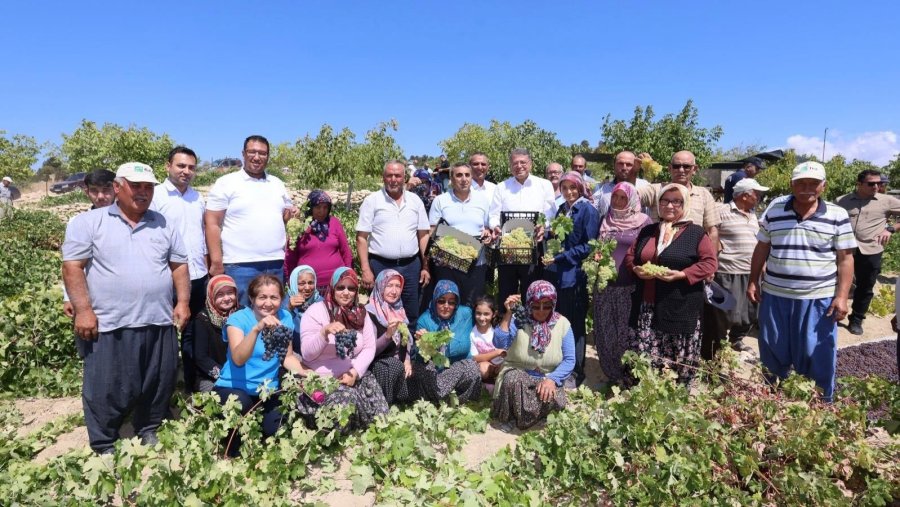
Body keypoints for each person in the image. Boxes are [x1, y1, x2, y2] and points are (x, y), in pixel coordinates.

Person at [62, 162, 191, 454]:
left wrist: (182, 302)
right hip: (110, 322)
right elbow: (72, 267)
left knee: (157, 379)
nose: (143, 193)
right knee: (106, 384)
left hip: (157, 318)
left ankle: (148, 427)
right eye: (136, 186)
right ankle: (104, 441)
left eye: (148, 187)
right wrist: (83, 310)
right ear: (118, 188)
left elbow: (179, 265)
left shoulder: (163, 222)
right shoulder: (88, 223)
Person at [748, 162, 856, 402]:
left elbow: (845, 258)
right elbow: (762, 247)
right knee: (773, 349)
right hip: (776, 295)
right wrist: (753, 281)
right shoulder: (775, 209)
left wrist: (841, 296)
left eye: (813, 184)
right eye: (801, 183)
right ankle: (772, 399)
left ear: (823, 186)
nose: (807, 188)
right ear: (792, 185)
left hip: (818, 298)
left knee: (816, 352)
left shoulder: (837, 215)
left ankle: (819, 404)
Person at [624, 183, 718, 386]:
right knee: (645, 354)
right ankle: (646, 392)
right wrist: (636, 269)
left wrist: (683, 274)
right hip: (647, 304)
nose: (670, 205)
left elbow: (710, 263)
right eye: (665, 200)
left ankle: (676, 393)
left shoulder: (696, 233)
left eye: (677, 201)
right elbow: (631, 255)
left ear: (686, 204)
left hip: (680, 306)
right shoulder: (648, 230)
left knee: (675, 356)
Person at [214, 274, 305, 454]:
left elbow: (286, 357)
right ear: (252, 299)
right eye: (262, 297)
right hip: (233, 388)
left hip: (266, 390)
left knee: (276, 429)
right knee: (242, 406)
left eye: (274, 297)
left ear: (281, 299)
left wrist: (307, 373)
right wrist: (257, 328)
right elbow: (238, 359)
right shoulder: (238, 320)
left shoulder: (285, 317)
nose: (268, 303)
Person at [205, 135, 297, 306]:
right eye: (252, 152)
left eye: (262, 153)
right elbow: (212, 223)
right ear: (243, 153)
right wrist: (216, 262)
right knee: (243, 320)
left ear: (268, 156)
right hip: (240, 265)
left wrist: (291, 215)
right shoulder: (226, 183)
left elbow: (283, 218)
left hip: (275, 263)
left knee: (274, 319)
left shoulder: (277, 183)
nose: (257, 157)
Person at [299, 268, 389, 431]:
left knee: (382, 417)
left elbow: (369, 348)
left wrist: (354, 373)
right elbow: (307, 354)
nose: (346, 293)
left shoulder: (360, 313)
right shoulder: (315, 312)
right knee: (346, 405)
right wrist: (323, 333)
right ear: (332, 288)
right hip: (324, 381)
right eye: (341, 287)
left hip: (353, 375)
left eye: (351, 288)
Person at [152, 146, 208, 392]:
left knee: (193, 333)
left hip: (197, 276)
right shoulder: (155, 197)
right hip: (166, 278)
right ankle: (163, 387)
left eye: (191, 167)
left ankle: (191, 384)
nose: (186, 171)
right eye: (181, 166)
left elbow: (203, 235)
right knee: (164, 335)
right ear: (168, 166)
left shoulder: (198, 198)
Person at [492, 281, 575, 430]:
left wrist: (552, 380)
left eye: (547, 306)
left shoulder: (563, 324)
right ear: (529, 304)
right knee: (513, 381)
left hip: (547, 377)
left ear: (554, 304)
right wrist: (508, 314)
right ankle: (515, 415)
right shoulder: (519, 320)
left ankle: (525, 415)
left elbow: (569, 360)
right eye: (536, 306)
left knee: (553, 397)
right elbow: (499, 342)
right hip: (520, 375)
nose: (541, 311)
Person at [542, 172, 600, 386]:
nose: (568, 192)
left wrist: (561, 256)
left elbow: (589, 245)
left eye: (573, 188)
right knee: (561, 322)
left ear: (581, 187)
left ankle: (577, 372)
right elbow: (559, 237)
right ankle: (562, 366)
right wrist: (546, 236)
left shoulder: (587, 210)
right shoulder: (562, 209)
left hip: (575, 275)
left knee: (575, 324)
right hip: (559, 274)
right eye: (564, 188)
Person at [592, 182, 652, 384]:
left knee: (627, 332)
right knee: (606, 329)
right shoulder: (605, 219)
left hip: (631, 287)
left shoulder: (644, 222)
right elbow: (596, 248)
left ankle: (629, 375)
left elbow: (648, 252)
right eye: (615, 197)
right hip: (604, 287)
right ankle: (612, 373)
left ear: (632, 200)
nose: (617, 201)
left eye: (623, 198)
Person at [356, 160, 431, 322]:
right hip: (380, 265)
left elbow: (424, 235)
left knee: (411, 312)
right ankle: (382, 346)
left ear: (404, 178)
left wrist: (425, 265)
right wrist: (365, 269)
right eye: (389, 175)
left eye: (397, 175)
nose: (393, 179)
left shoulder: (415, 201)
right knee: (379, 312)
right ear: (383, 178)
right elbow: (361, 237)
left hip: (411, 266)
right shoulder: (372, 201)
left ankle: (408, 347)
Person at [702, 178, 769, 358]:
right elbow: (709, 233)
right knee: (725, 314)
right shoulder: (721, 211)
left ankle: (736, 339)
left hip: (751, 272)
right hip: (728, 272)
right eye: (757, 194)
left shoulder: (755, 215)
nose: (760, 197)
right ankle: (715, 350)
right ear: (745, 195)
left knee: (749, 312)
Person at [835, 169, 900, 335]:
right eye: (871, 183)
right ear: (859, 184)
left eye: (879, 183)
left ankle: (856, 319)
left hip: (871, 249)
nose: (876, 186)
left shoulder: (887, 201)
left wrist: (891, 229)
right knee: (836, 282)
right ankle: (834, 313)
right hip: (844, 249)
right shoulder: (842, 201)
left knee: (865, 287)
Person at [489, 148, 557, 304]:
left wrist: (543, 226)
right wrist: (496, 227)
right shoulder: (501, 187)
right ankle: (507, 325)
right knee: (507, 292)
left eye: (523, 162)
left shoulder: (544, 185)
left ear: (530, 164)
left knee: (533, 291)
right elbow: (493, 215)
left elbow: (551, 214)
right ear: (510, 166)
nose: (519, 166)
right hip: (508, 248)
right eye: (515, 163)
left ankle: (531, 325)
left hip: (534, 247)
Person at [426, 162, 492, 306]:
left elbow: (488, 227)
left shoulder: (482, 200)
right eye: (459, 175)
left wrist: (488, 233)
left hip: (476, 264)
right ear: (451, 178)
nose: (464, 179)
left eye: (467, 175)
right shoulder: (440, 200)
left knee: (472, 304)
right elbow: (432, 231)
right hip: (447, 265)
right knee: (448, 305)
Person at [408, 280, 482, 403]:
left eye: (451, 302)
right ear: (435, 300)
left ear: (456, 304)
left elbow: (484, 321)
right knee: (425, 370)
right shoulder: (424, 320)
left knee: (472, 368)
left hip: (457, 367)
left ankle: (442, 397)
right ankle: (446, 398)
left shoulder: (466, 314)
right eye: (441, 301)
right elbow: (421, 359)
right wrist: (423, 344)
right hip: (435, 369)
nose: (446, 306)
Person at [62, 169, 117, 319]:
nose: (100, 196)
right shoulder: (77, 223)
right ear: (87, 192)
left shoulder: (129, 220)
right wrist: (68, 297)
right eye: (94, 191)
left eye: (106, 190)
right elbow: (71, 264)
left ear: (116, 189)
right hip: (93, 297)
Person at [637, 151, 720, 248]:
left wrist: (711, 261)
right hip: (657, 256)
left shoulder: (703, 194)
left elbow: (712, 231)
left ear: (694, 169)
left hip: (692, 256)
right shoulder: (656, 190)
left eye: (686, 166)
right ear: (670, 168)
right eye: (676, 166)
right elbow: (628, 196)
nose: (681, 170)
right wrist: (633, 172)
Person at [284, 189, 352, 287]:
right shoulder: (299, 226)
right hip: (307, 286)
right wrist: (290, 280)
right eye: (318, 207)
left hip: (336, 284)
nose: (322, 211)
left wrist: (348, 274)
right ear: (310, 208)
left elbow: (345, 251)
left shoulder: (334, 223)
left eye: (325, 207)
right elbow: (290, 257)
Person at [365, 269, 412, 404]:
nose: (394, 291)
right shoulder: (370, 313)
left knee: (420, 371)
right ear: (380, 286)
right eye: (389, 286)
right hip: (376, 364)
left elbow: (406, 340)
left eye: (398, 286)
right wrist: (387, 335)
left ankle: (402, 401)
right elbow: (370, 351)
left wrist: (407, 361)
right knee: (392, 366)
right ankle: (383, 406)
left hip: (397, 362)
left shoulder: (399, 309)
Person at [192, 274, 240, 393]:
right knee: (233, 397)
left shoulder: (243, 313)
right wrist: (225, 375)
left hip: (241, 374)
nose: (227, 298)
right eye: (220, 294)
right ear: (211, 296)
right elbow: (201, 357)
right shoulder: (202, 319)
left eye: (230, 292)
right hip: (211, 377)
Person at [593, 151, 650, 217]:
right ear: (614, 166)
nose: (624, 168)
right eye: (620, 163)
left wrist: (650, 166)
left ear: (636, 166)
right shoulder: (603, 190)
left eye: (629, 164)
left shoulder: (645, 186)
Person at [286, 265, 323, 353]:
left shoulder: (321, 302)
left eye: (310, 283)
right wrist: (289, 310)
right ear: (294, 283)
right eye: (302, 284)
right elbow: (279, 327)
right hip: (292, 352)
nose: (307, 288)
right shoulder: (285, 302)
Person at [470, 296, 505, 383]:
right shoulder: (472, 333)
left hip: (501, 363)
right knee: (483, 370)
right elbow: (475, 358)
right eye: (478, 313)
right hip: (485, 364)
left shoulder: (497, 330)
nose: (482, 318)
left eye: (486, 314)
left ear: (494, 314)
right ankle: (490, 381)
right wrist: (496, 353)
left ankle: (495, 381)